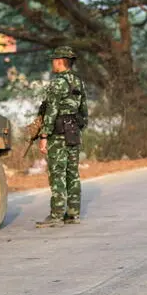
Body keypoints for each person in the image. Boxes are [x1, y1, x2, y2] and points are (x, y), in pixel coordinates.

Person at [32, 46, 88, 228]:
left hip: (58, 133)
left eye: (53, 61)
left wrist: (44, 135)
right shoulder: (78, 82)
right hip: (74, 133)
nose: (52, 64)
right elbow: (84, 111)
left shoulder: (57, 83)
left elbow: (52, 111)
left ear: (59, 61)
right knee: (73, 174)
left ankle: (56, 216)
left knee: (57, 174)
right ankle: (73, 214)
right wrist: (79, 128)